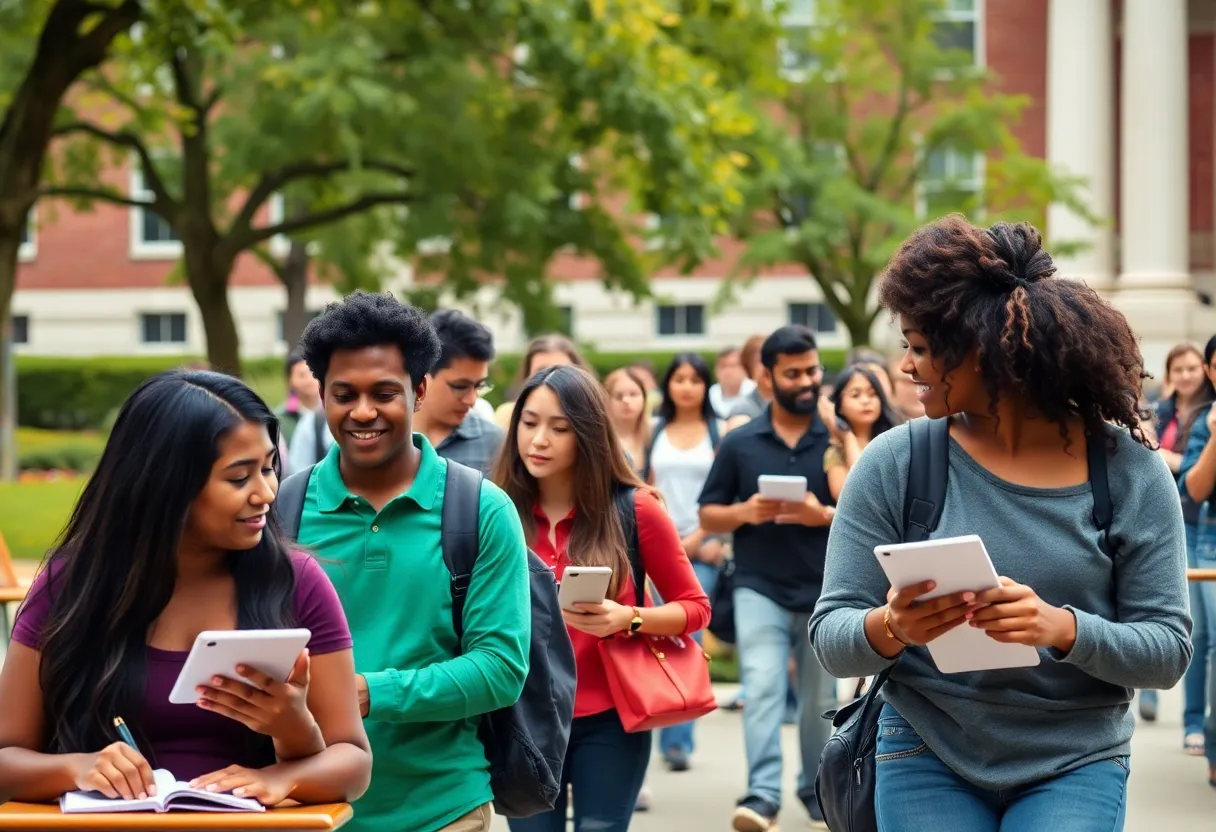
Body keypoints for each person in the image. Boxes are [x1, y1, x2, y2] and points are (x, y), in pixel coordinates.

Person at [811, 217, 1192, 830]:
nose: (905, 367)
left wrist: (1060, 628)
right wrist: (893, 626)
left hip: (1077, 758)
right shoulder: (896, 462)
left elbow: (1167, 652)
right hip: (924, 748)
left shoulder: (1129, 473)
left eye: (919, 346)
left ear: (979, 348)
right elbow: (831, 633)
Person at [0, 370, 371, 806]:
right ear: (165, 483)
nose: (266, 493)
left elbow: (354, 763)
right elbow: (7, 758)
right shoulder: (71, 585)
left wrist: (286, 759)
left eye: (269, 468)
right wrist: (76, 767)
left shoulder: (297, 582)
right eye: (238, 478)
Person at [292, 291, 532, 832]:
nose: (362, 412)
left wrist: (369, 691)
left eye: (383, 393)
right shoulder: (282, 509)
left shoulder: (479, 510)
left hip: (443, 808)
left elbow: (500, 669)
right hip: (309, 809)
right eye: (343, 394)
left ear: (419, 389)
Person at [495, 365, 711, 832]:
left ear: (588, 434)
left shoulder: (635, 508)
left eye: (559, 428)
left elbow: (695, 608)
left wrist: (628, 618)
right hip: (524, 717)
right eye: (529, 424)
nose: (539, 440)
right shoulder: (495, 511)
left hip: (610, 717)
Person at [698, 324, 837, 832]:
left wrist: (819, 514)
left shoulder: (836, 438)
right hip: (759, 584)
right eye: (794, 373)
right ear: (767, 377)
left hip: (826, 587)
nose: (807, 381)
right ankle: (762, 795)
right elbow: (708, 515)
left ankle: (818, 791)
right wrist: (748, 512)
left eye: (813, 370)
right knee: (761, 686)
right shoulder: (740, 443)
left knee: (821, 701)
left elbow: (861, 512)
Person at [645, 353, 727, 772]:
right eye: (679, 378)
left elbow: (725, 495)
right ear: (669, 385)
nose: (687, 386)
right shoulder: (654, 431)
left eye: (696, 379)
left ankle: (678, 737)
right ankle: (652, 715)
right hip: (655, 548)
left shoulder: (718, 433)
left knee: (688, 638)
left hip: (701, 550)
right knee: (650, 638)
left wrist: (699, 540)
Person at [1137, 341, 1215, 743]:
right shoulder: (1162, 410)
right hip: (1164, 516)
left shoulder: (1206, 416)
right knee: (1164, 610)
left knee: (1199, 629)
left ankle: (1198, 723)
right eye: (1177, 369)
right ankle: (1150, 687)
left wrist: (1164, 455)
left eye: (1192, 369)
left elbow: (1187, 471)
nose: (1185, 376)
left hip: (1195, 521)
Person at [1176, 334, 1216, 785]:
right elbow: (1195, 488)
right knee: (1205, 639)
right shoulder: (1205, 421)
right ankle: (1200, 726)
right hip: (1205, 539)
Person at [414, 310, 505, 476]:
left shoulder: (498, 446)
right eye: (460, 386)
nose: (471, 400)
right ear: (423, 376)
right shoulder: (388, 437)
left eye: (479, 386)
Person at [824, 364, 901, 501]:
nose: (866, 401)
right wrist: (848, 437)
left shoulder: (896, 443)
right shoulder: (836, 453)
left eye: (872, 394)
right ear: (839, 406)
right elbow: (853, 497)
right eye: (855, 395)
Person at [494, 334, 591, 429]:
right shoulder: (507, 415)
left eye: (562, 371)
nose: (551, 377)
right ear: (528, 376)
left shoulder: (592, 414)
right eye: (541, 371)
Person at [604, 367, 652, 476]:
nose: (626, 400)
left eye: (633, 394)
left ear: (644, 398)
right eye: (618, 396)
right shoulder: (601, 441)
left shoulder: (655, 433)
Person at [276, 351, 322, 447]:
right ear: (290, 381)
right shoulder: (280, 419)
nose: (310, 380)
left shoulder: (331, 410)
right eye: (302, 375)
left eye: (313, 373)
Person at [710, 346, 758, 418]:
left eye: (733, 366)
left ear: (745, 368)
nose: (728, 371)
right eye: (723, 366)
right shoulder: (710, 393)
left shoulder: (755, 391)